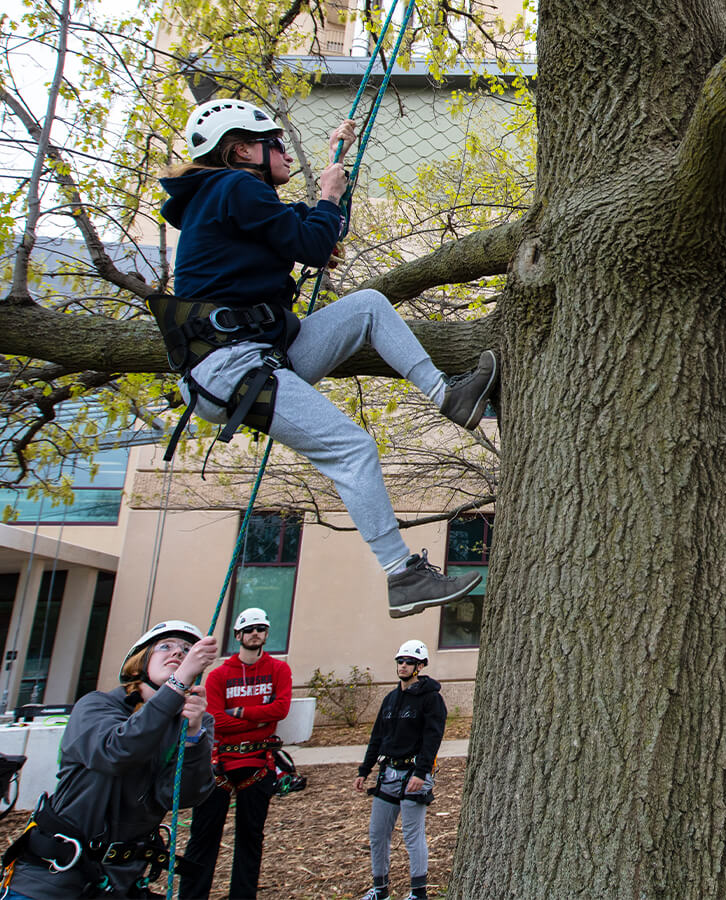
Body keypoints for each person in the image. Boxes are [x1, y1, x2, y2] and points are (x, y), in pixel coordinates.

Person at [158, 97, 497, 618]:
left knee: (367, 307)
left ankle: (448, 395)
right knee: (353, 448)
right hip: (232, 367)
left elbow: (316, 232)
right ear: (243, 150)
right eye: (276, 144)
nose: (286, 156)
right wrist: (328, 198)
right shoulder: (235, 186)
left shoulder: (228, 197)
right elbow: (312, 244)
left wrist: (336, 171)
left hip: (259, 355)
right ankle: (401, 575)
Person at [2, 621, 219, 898]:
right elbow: (116, 751)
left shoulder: (194, 722)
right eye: (165, 646)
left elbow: (185, 795)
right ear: (140, 660)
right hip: (51, 879)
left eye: (187, 650)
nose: (178, 653)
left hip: (120, 882)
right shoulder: (96, 705)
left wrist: (192, 736)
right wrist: (178, 684)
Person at [180, 607, 293, 898]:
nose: (255, 633)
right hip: (219, 762)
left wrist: (240, 711)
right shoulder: (219, 676)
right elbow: (215, 720)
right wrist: (259, 718)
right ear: (238, 635)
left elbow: (281, 710)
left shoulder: (278, 670)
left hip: (258, 762)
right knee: (204, 837)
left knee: (250, 837)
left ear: (267, 634)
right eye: (250, 629)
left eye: (260, 629)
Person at [354, 641, 447, 900]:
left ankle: (418, 893)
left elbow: (433, 737)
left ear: (420, 665)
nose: (403, 665)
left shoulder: (431, 699)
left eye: (408, 661)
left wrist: (421, 772)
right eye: (400, 661)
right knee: (378, 833)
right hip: (388, 773)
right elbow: (377, 737)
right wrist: (364, 770)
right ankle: (380, 889)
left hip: (414, 774)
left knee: (412, 832)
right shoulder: (391, 699)